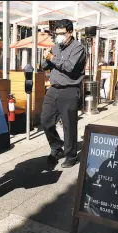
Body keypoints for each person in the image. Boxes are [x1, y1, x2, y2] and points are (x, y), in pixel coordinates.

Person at [40, 19, 87, 168]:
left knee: (69, 125)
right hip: (53, 88)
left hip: (70, 89)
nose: (59, 36)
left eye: (62, 33)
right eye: (57, 33)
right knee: (45, 121)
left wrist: (52, 58)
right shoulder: (55, 47)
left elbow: (69, 67)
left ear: (70, 32)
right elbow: (44, 66)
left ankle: (71, 155)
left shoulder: (78, 48)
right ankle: (56, 146)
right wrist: (45, 58)